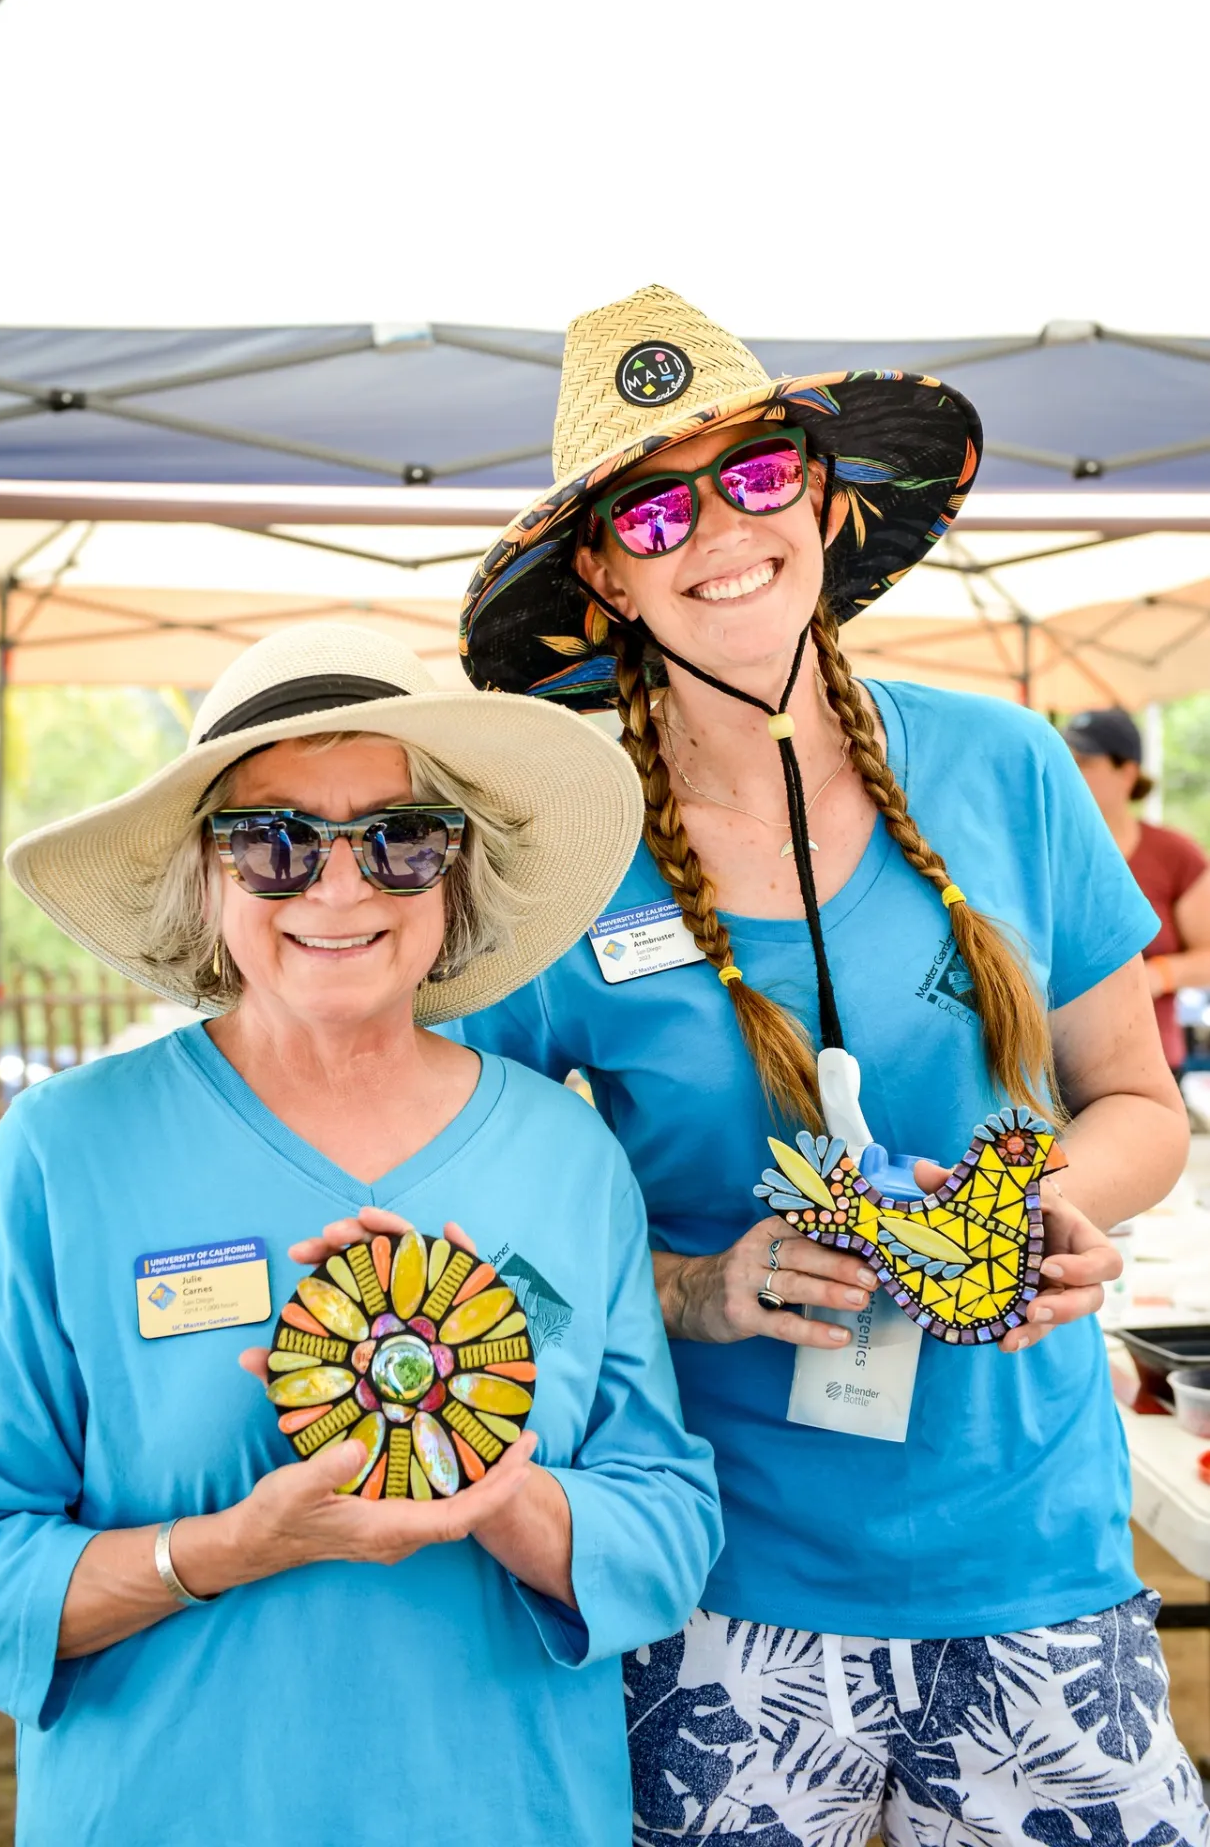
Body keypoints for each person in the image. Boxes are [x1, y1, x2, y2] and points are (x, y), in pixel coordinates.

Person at [454, 287, 1205, 1845]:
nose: (717, 530)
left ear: (819, 490)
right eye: (652, 509)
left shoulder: (1002, 766)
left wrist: (1044, 1203)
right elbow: (491, 1223)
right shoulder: (556, 865)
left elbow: (1137, 1105)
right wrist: (695, 1291)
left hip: (1037, 1550)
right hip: (723, 1576)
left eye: (751, 473)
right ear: (598, 572)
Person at [0, 623, 721, 1847]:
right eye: (271, 840)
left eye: (401, 839)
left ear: (459, 872)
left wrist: (501, 1491)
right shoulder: (65, 1149)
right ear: (205, 875)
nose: (339, 887)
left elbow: (666, 1528)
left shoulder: (567, 1159)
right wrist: (226, 1549)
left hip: (506, 1813)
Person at [1065, 706, 1210, 1073]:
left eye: (1083, 761)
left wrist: (1155, 976)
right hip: (1055, 1066)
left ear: (1127, 773)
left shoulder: (1177, 855)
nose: (1069, 771)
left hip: (1150, 1067)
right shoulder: (1045, 852)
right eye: (1063, 759)